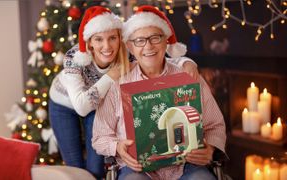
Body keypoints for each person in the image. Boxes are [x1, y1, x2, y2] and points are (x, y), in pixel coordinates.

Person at [49, 6, 199, 179]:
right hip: (64, 104)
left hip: (98, 104)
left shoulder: (127, 53)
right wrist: (112, 76)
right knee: (75, 168)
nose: (107, 46)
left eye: (112, 38)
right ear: (89, 42)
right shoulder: (74, 57)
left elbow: (158, 57)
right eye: (98, 39)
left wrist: (187, 62)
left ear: (120, 38)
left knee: (95, 169)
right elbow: (82, 106)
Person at [92, 5, 226, 180]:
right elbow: (100, 136)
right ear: (130, 47)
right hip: (137, 169)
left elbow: (215, 125)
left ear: (166, 41)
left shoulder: (188, 76)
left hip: (187, 166)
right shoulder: (118, 84)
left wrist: (211, 150)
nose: (148, 46)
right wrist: (117, 147)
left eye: (155, 38)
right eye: (139, 40)